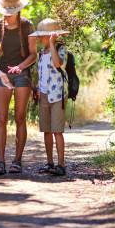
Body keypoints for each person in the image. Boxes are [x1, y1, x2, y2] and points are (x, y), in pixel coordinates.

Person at [0, 0, 36, 175]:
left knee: (20, 117)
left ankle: (17, 160)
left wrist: (20, 67)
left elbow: (33, 54)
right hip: (2, 74)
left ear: (18, 9)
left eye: (12, 11)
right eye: (7, 11)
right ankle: (0, 161)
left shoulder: (27, 26)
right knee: (1, 118)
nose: (9, 14)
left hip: (22, 74)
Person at [29, 18, 70, 176]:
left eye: (43, 36)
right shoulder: (40, 53)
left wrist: (53, 44)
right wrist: (38, 89)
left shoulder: (60, 49)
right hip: (44, 95)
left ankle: (61, 164)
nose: (40, 39)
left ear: (51, 36)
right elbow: (41, 74)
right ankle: (50, 162)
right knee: (46, 130)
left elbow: (58, 63)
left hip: (57, 95)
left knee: (57, 131)